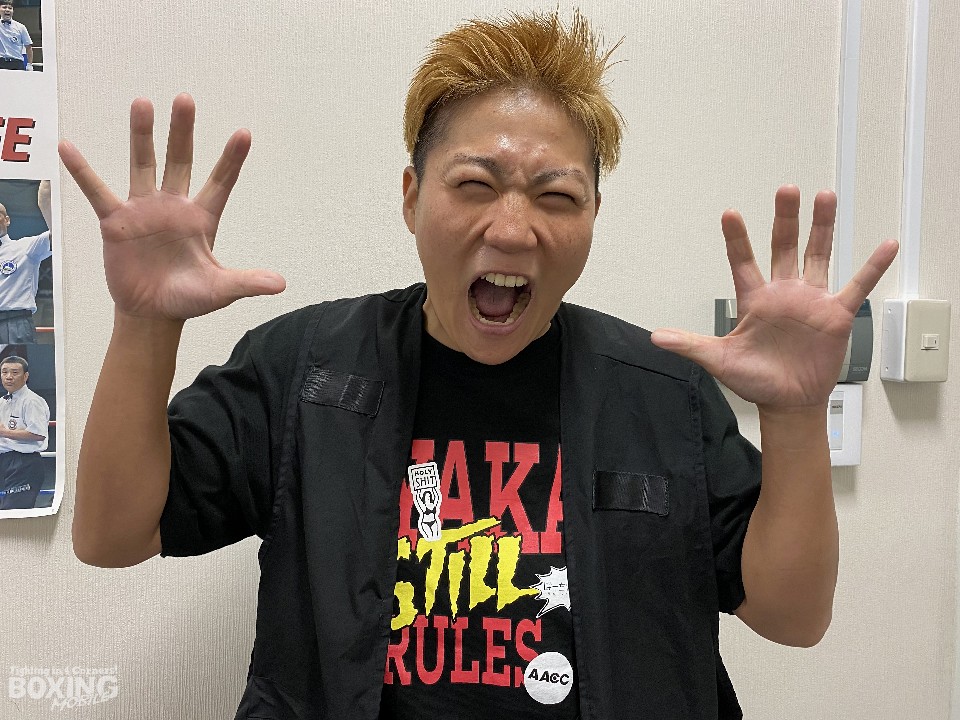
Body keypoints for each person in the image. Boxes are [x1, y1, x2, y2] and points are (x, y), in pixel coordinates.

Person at [60, 10, 899, 720]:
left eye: (556, 196)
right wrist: (143, 325)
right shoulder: (305, 371)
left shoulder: (662, 394)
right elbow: (111, 534)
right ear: (411, 197)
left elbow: (792, 616)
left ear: (594, 217)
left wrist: (795, 417)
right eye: (474, 185)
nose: (512, 228)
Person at [0, 180, 53, 343]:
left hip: (15, 322)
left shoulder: (26, 247)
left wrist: (47, 182)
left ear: (7, 220)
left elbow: (58, 234)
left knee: (17, 357)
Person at [0, 355, 50, 510]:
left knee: (14, 513)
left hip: (24, 463)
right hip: (6, 461)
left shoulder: (32, 401)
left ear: (25, 376)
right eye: (4, 372)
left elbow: (38, 434)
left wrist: (4, 432)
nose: (9, 377)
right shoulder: (3, 401)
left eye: (15, 372)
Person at [0, 1, 32, 71]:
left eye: (10, 8)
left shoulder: (21, 27)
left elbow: (28, 47)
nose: (7, 10)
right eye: (4, 7)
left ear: (13, 11)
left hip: (17, 63)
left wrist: (29, 64)